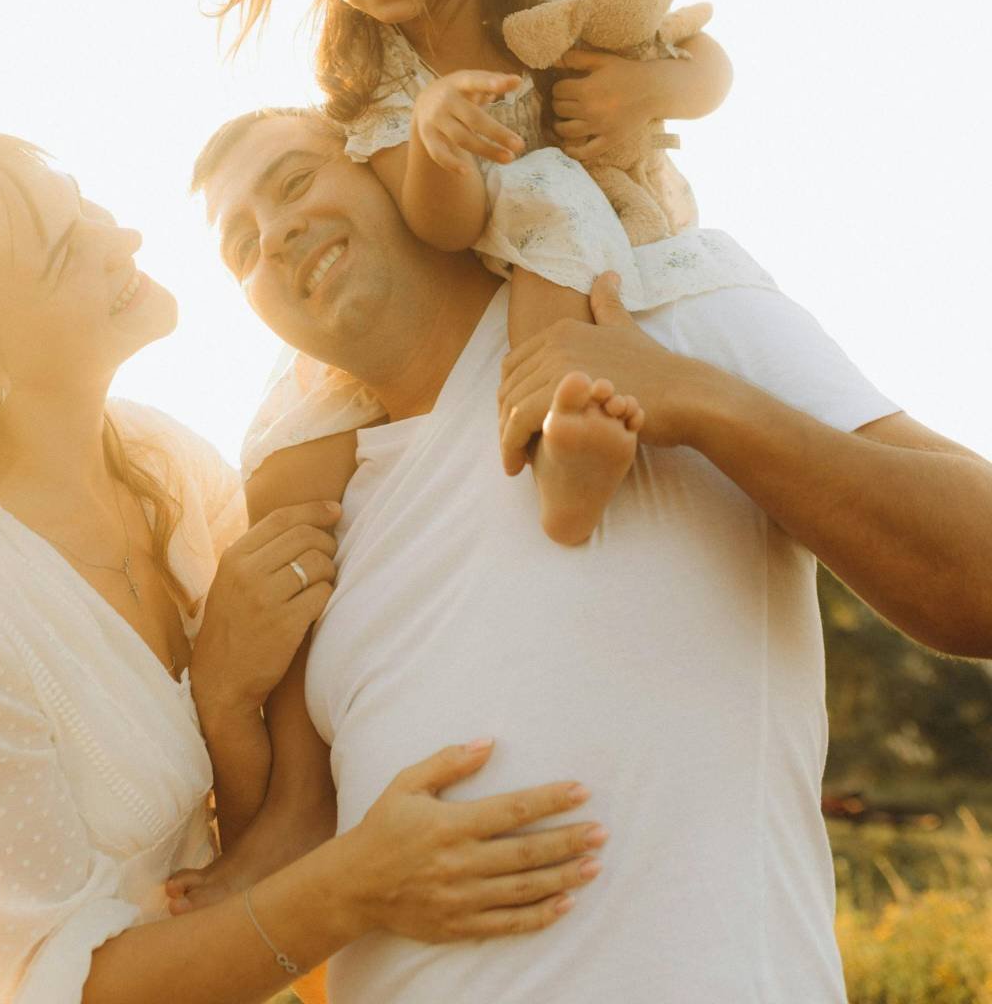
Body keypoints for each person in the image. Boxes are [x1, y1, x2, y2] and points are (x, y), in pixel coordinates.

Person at [0, 130, 606, 1004]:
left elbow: (241, 834)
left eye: (87, 209)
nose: (123, 241)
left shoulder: (161, 459)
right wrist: (357, 882)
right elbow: (64, 990)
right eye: (68, 248)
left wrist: (223, 705)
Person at [188, 104, 992, 1003]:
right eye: (239, 247)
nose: (276, 232)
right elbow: (288, 908)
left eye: (294, 181)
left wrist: (697, 398)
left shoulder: (655, 297)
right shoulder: (316, 512)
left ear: (387, 165)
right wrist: (223, 703)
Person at [218, 0, 770, 545]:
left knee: (562, 191)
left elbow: (704, 61)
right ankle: (556, 454)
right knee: (544, 192)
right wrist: (437, 143)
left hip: (646, 216)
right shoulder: (375, 79)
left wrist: (647, 94)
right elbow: (445, 225)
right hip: (527, 263)